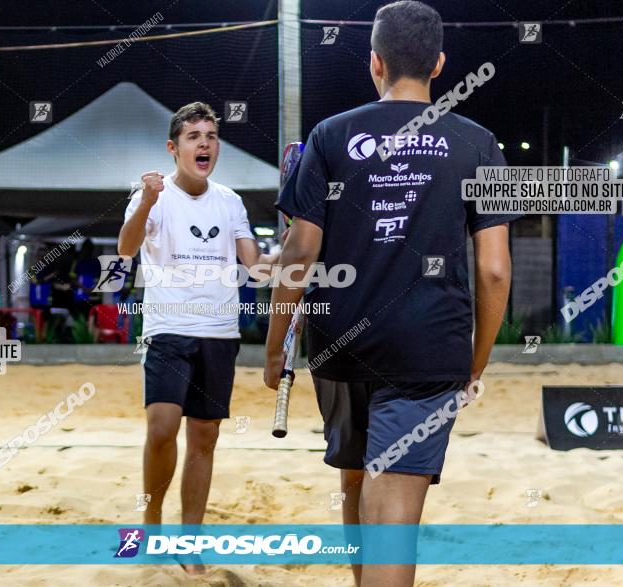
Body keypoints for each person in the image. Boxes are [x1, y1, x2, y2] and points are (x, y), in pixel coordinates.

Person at [264, 2, 520, 585]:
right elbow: (496, 270)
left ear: (374, 63)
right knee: (394, 512)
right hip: (430, 347)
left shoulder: (329, 135)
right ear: (440, 64)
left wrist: (276, 345)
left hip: (339, 347)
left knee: (356, 483)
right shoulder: (479, 143)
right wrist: (474, 362)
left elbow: (298, 255)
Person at [118, 102, 280, 575]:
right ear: (174, 148)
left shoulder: (229, 201)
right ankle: (151, 521)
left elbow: (254, 266)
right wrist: (146, 201)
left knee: (204, 439)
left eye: (210, 135)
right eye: (194, 136)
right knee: (162, 430)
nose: (204, 143)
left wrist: (289, 251)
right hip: (169, 329)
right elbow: (127, 248)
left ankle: (190, 540)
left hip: (219, 333)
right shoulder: (152, 195)